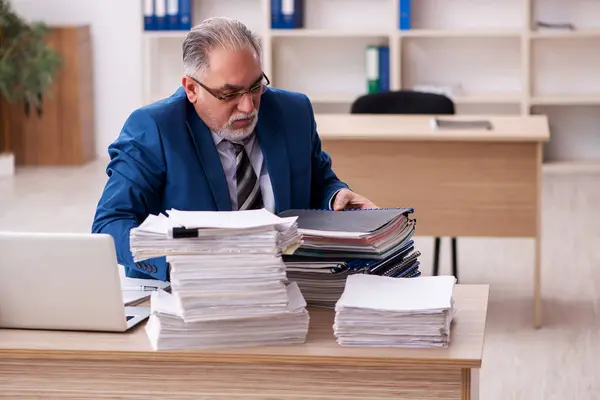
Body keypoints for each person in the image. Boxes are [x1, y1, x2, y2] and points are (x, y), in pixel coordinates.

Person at [92, 17, 377, 281]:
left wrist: (336, 195)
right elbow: (110, 224)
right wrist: (176, 264)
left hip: (282, 284)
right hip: (188, 292)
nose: (248, 106)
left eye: (255, 87)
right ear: (191, 89)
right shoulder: (154, 128)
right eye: (229, 94)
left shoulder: (293, 112)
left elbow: (319, 181)